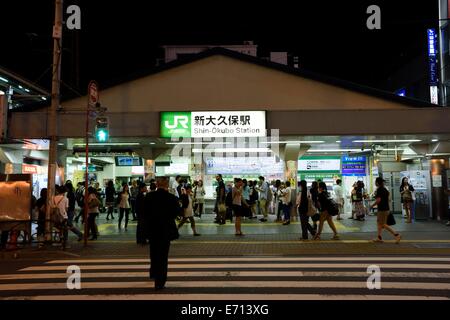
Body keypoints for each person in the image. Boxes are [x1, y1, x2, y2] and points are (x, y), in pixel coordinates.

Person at [142, 177, 181, 290]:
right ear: (167, 185)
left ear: (157, 184)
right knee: (163, 256)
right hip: (166, 230)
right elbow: (176, 213)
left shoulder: (149, 197)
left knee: (153, 252)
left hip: (152, 229)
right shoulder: (172, 198)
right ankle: (160, 282)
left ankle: (153, 272)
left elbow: (143, 213)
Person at [371, 177, 402, 243]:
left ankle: (397, 235)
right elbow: (389, 199)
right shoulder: (385, 189)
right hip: (385, 209)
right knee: (379, 223)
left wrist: (372, 205)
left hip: (382, 209)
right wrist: (388, 208)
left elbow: (378, 200)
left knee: (383, 224)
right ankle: (379, 237)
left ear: (377, 182)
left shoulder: (379, 190)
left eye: (375, 182)